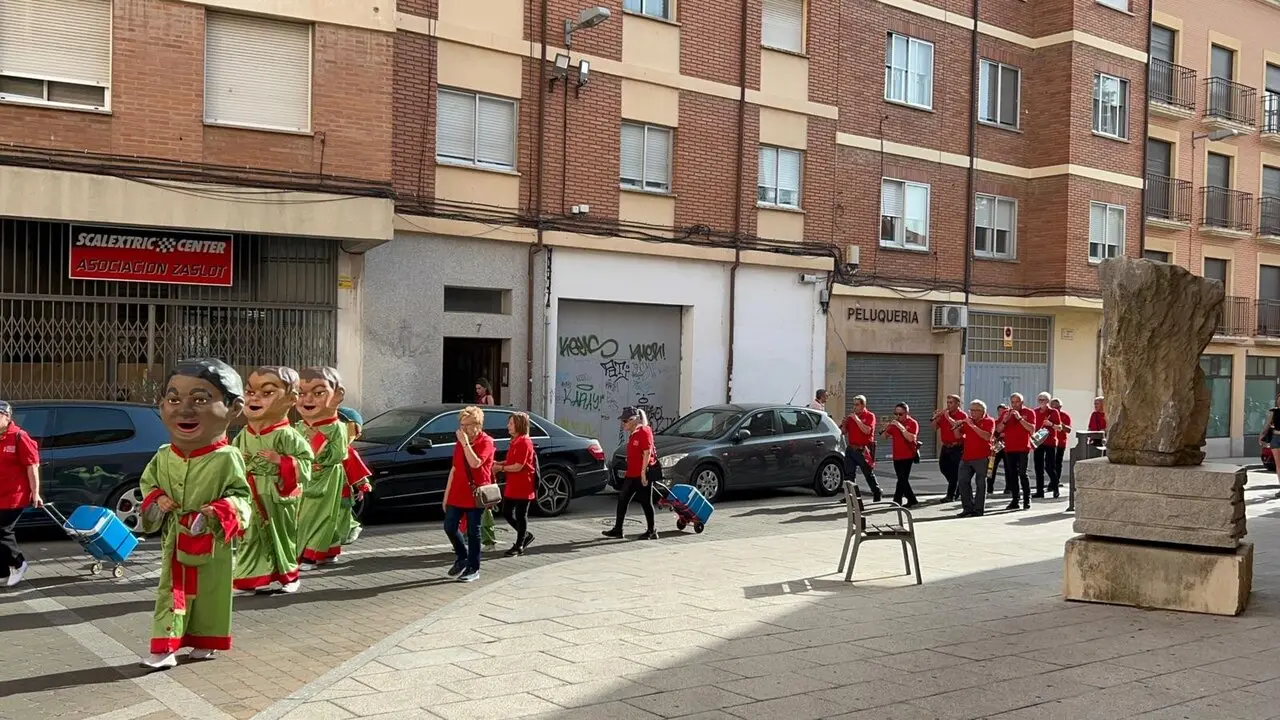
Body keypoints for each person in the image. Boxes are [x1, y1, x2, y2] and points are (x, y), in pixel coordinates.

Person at [139, 358, 252, 669]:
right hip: (176, 538)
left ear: (234, 408)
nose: (184, 410)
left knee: (210, 595)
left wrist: (218, 511)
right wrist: (157, 499)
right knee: (170, 591)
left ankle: (205, 642)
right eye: (174, 399)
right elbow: (148, 484)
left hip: (212, 541)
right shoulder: (163, 456)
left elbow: (242, 498)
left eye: (200, 400)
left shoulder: (227, 458)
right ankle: (164, 648)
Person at [232, 367, 313, 594]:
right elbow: (231, 461)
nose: (254, 398)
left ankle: (289, 577)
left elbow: (306, 463)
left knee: (281, 535)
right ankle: (251, 577)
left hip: (277, 494)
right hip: (251, 493)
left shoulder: (286, 434)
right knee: (250, 536)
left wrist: (280, 461)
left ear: (290, 399)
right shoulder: (244, 435)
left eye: (267, 393)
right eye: (250, 392)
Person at [295, 367, 352, 567]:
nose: (307, 399)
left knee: (320, 514)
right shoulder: (299, 427)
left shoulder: (336, 427)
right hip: (304, 476)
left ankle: (312, 554)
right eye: (301, 393)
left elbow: (339, 454)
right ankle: (327, 549)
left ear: (337, 395)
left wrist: (317, 446)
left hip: (327, 476)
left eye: (318, 393)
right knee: (303, 514)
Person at [441, 405, 495, 582]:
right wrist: (446, 495)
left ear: (477, 425)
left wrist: (465, 443)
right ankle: (462, 556)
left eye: (466, 425)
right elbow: (455, 469)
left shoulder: (486, 442)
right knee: (449, 526)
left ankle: (473, 567)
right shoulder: (460, 442)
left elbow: (475, 463)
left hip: (475, 493)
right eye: (461, 425)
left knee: (473, 531)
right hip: (457, 491)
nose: (462, 429)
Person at [0, 401, 41, 588]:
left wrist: (36, 493)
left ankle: (19, 563)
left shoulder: (19, 436)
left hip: (14, 496)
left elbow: (32, 467)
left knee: (2, 531)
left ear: (7, 417)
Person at [602, 407, 658, 540]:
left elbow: (647, 452)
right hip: (631, 474)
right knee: (622, 500)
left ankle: (652, 531)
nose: (623, 423)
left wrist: (643, 473)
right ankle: (618, 529)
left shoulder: (644, 431)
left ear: (634, 420)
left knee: (646, 502)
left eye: (625, 421)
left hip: (641, 475)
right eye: (622, 420)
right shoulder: (633, 433)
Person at [495, 411, 537, 556]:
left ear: (519, 425)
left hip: (523, 484)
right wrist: (499, 463)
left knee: (520, 514)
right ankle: (525, 535)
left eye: (511, 423)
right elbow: (512, 461)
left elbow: (519, 465)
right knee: (506, 512)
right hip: (513, 483)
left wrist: (500, 468)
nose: (508, 426)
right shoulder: (515, 441)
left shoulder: (524, 442)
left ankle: (519, 544)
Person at [336, 406, 373, 546]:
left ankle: (347, 532)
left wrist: (362, 484)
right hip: (321, 487)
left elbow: (355, 468)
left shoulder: (348, 452)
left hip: (341, 488)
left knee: (342, 515)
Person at [956, 400, 996, 518]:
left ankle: (978, 509)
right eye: (971, 410)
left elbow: (987, 436)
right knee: (963, 481)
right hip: (967, 456)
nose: (972, 413)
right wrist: (957, 426)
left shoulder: (989, 421)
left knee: (980, 483)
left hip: (982, 457)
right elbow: (958, 436)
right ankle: (967, 508)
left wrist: (972, 425)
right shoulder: (968, 421)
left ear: (982, 411)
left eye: (974, 410)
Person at [996, 393, 1036, 511]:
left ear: (1022, 402)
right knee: (1012, 475)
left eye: (1017, 402)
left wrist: (1019, 418)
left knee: (1023, 474)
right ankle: (1015, 500)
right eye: (1012, 402)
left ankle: (1027, 500)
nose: (1014, 404)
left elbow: (1032, 430)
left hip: (1023, 447)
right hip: (1009, 448)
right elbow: (998, 430)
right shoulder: (1005, 413)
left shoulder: (1029, 412)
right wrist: (1004, 420)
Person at [841, 395, 882, 502]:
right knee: (849, 474)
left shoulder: (869, 416)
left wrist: (857, 419)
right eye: (853, 404)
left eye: (857, 405)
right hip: (851, 448)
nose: (854, 407)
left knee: (868, 473)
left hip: (864, 450)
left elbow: (867, 430)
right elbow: (843, 432)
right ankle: (850, 496)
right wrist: (844, 424)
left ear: (863, 405)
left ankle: (877, 492)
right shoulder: (851, 417)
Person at [882, 403, 919, 507]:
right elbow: (884, 437)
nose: (897, 416)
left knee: (902, 479)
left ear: (906, 413)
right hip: (896, 456)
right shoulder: (894, 424)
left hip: (908, 455)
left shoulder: (912, 423)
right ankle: (912, 499)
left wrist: (900, 427)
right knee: (902, 479)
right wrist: (885, 428)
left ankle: (897, 500)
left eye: (900, 414)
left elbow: (911, 438)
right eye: (896, 414)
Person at [932, 395, 966, 502]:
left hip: (957, 446)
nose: (949, 405)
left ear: (957, 404)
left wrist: (947, 417)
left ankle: (950, 495)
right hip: (946, 446)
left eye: (951, 403)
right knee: (943, 467)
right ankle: (956, 487)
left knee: (955, 471)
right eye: (948, 402)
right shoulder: (944, 415)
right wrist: (936, 418)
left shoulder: (962, 415)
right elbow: (934, 428)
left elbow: (958, 429)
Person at [1032, 392, 1062, 499]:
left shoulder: (1053, 412)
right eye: (1039, 400)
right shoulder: (1034, 412)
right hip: (1038, 441)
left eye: (1043, 400)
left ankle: (1055, 487)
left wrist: (1051, 424)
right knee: (1038, 467)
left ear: (1048, 401)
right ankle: (1039, 491)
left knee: (1049, 466)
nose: (1041, 402)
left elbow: (1059, 428)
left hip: (1050, 442)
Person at [1050, 398, 1072, 498]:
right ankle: (1053, 481)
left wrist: (1060, 423)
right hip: (1050, 443)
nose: (1055, 408)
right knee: (1049, 464)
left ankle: (1055, 482)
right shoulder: (1048, 414)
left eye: (1057, 407)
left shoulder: (1065, 416)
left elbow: (1069, 430)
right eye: (1052, 406)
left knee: (1057, 463)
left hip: (1060, 443)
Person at [1259, 393, 1280, 490]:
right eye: (1279, 398)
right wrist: (1262, 435)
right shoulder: (1273, 411)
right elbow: (1267, 425)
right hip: (1276, 438)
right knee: (1278, 465)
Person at [987, 403, 1008, 495]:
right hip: (997, 445)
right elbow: (993, 434)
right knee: (991, 466)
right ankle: (989, 487)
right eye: (1000, 411)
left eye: (1003, 411)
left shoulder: (1009, 422)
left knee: (1008, 467)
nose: (1001, 412)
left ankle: (1009, 488)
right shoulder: (995, 422)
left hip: (1006, 445)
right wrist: (999, 435)